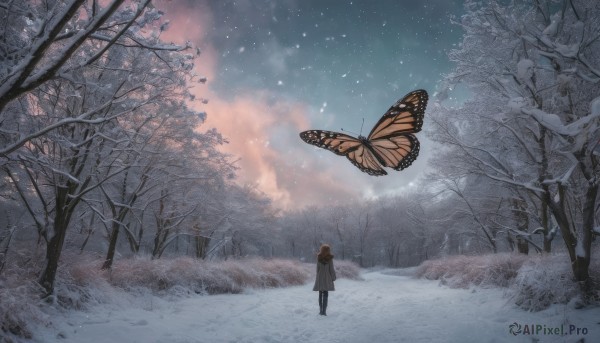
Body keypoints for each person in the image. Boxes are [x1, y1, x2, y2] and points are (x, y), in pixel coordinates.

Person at [313, 244, 336, 316]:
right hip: (327, 278)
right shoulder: (330, 258)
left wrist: (318, 276)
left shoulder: (319, 257)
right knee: (325, 293)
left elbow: (317, 269)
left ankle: (320, 311)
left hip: (320, 277)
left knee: (320, 294)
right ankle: (324, 311)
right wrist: (333, 277)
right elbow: (331, 269)